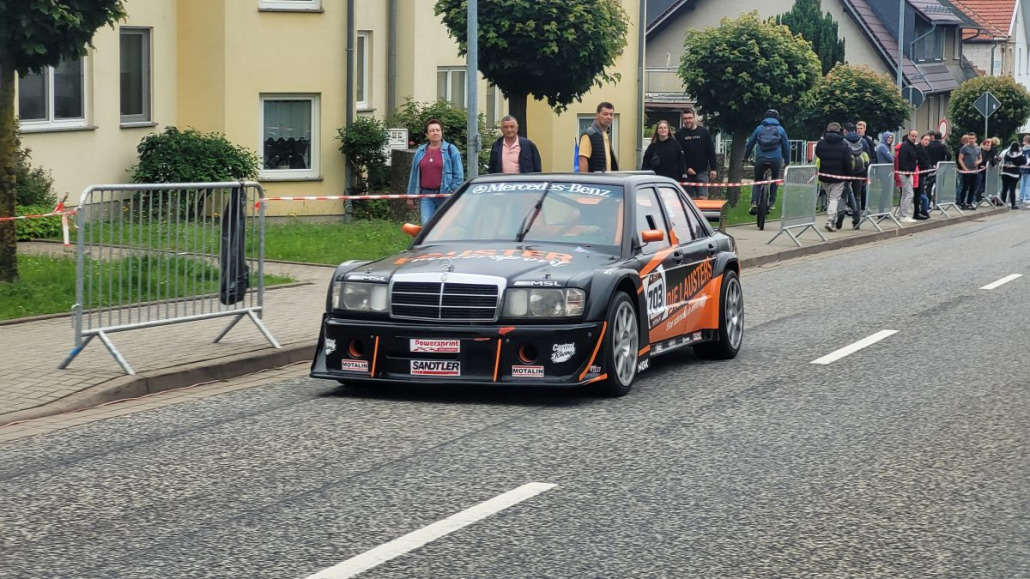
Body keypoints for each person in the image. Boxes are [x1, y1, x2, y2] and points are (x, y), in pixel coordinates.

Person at [406, 118, 464, 225]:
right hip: (426, 196)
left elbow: (459, 175)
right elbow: (414, 175)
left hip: (445, 195)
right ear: (427, 135)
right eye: (432, 131)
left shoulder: (451, 150)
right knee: (426, 226)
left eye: (438, 130)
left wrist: (451, 191)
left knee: (444, 225)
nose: (435, 133)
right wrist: (411, 196)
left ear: (442, 132)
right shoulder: (420, 151)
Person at [743, 108, 790, 214]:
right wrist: (787, 161)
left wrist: (746, 157)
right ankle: (772, 202)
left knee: (758, 181)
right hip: (776, 159)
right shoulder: (781, 130)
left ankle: (754, 202)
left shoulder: (759, 128)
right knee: (775, 178)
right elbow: (786, 147)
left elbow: (750, 143)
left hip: (761, 158)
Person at [674, 107, 718, 198]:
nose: (688, 121)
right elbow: (677, 155)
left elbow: (710, 151)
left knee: (703, 199)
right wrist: (686, 168)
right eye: (685, 119)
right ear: (682, 120)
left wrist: (714, 168)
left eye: (690, 118)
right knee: (687, 201)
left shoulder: (704, 132)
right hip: (686, 174)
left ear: (694, 118)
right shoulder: (678, 134)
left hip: (702, 172)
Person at [814, 122, 850, 232]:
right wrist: (848, 175)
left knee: (831, 198)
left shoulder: (821, 143)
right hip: (839, 176)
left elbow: (818, 154)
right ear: (839, 130)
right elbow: (847, 161)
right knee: (835, 198)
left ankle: (832, 219)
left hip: (824, 175)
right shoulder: (844, 144)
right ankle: (830, 220)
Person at [841, 122, 871, 228]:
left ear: (845, 130)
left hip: (846, 172)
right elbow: (867, 156)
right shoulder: (862, 141)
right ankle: (857, 220)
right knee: (858, 196)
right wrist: (866, 172)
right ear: (854, 130)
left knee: (845, 194)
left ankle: (842, 214)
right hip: (859, 172)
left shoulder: (843, 141)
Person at [579, 102, 619, 172]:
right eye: (605, 114)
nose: (609, 117)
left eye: (611, 114)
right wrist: (585, 181)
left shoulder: (605, 134)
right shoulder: (589, 135)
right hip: (595, 181)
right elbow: (583, 160)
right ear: (597, 115)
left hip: (607, 179)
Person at [897, 129, 920, 223]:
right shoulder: (905, 146)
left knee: (904, 194)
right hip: (905, 173)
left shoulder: (912, 146)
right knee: (910, 194)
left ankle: (901, 214)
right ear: (909, 135)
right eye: (912, 136)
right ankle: (904, 215)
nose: (914, 138)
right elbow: (902, 159)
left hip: (909, 172)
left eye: (915, 136)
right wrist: (907, 172)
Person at [925, 131, 951, 209]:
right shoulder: (942, 146)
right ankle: (936, 203)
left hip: (930, 167)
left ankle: (928, 202)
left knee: (929, 185)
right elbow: (949, 155)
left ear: (934, 137)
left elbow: (926, 155)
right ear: (941, 137)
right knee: (938, 186)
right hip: (940, 167)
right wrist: (945, 163)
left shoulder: (929, 145)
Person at [855, 121, 876, 212]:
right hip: (855, 169)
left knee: (864, 189)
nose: (859, 130)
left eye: (861, 128)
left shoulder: (868, 141)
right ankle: (854, 207)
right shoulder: (853, 139)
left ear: (865, 129)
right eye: (858, 129)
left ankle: (864, 207)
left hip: (865, 169)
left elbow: (872, 155)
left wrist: (869, 166)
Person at [957, 133, 981, 210]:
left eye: (972, 138)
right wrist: (964, 168)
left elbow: (980, 158)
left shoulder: (978, 148)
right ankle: (962, 203)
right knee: (965, 187)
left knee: (973, 187)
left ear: (975, 139)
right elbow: (960, 158)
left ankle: (969, 202)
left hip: (974, 170)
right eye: (970, 138)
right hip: (967, 171)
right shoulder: (964, 148)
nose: (971, 140)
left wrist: (978, 162)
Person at [1000, 141, 1025, 209]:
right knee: (1012, 189)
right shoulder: (1020, 154)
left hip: (1005, 173)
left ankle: (1002, 202)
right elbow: (1024, 162)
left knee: (1004, 189)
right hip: (1014, 174)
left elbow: (1000, 159)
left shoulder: (1006, 152)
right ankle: (1013, 204)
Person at [873, 132, 894, 214]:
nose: (890, 140)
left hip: (886, 171)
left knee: (886, 192)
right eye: (888, 138)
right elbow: (891, 159)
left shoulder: (885, 146)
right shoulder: (883, 147)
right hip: (884, 172)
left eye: (891, 138)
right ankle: (881, 212)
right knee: (885, 192)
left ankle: (883, 211)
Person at [913, 133, 932, 220]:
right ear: (921, 140)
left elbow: (928, 160)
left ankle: (923, 211)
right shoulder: (917, 148)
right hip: (918, 173)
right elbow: (921, 160)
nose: (927, 142)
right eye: (925, 139)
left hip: (924, 173)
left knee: (922, 192)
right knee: (919, 193)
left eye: (928, 140)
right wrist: (927, 166)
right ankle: (918, 212)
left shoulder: (926, 150)